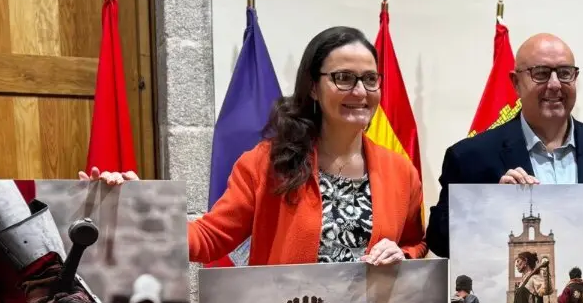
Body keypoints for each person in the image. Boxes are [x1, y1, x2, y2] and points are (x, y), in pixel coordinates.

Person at [80, 26, 424, 266]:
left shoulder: (400, 171)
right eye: (343, 78)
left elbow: (416, 243)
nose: (361, 92)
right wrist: (140, 206)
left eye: (370, 79)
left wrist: (403, 255)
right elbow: (208, 237)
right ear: (313, 88)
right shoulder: (267, 163)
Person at [425, 33, 583, 257]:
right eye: (541, 74)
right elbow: (439, 241)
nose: (556, 84)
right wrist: (491, 206)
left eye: (565, 73)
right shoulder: (470, 157)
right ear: (516, 83)